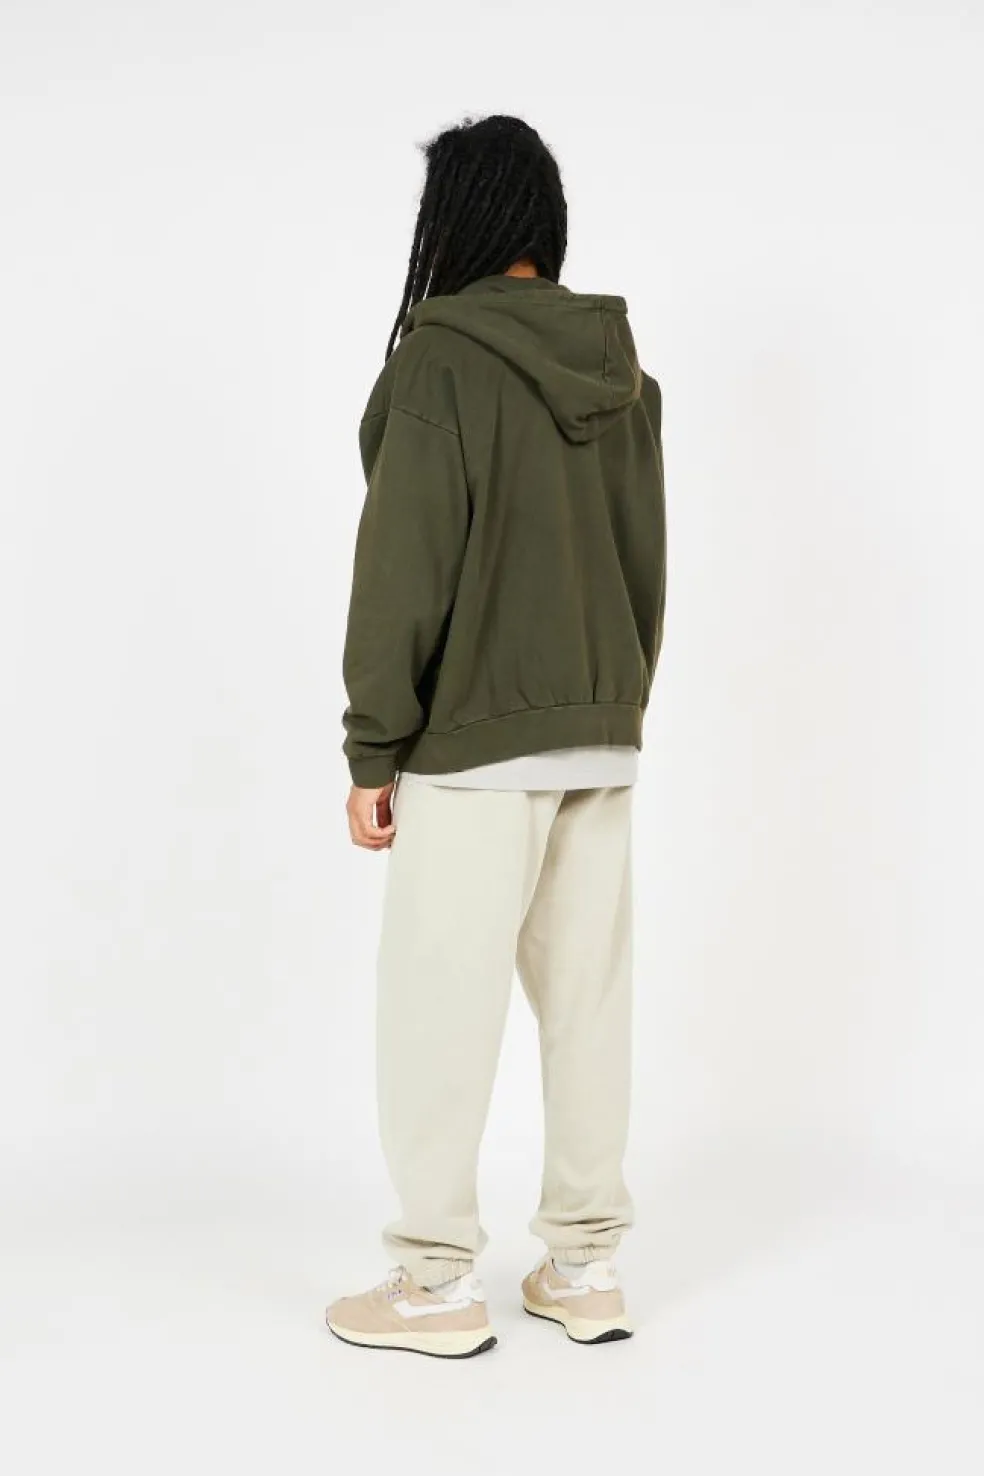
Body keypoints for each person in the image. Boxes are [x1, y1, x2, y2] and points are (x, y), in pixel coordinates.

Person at [326, 114, 666, 1358]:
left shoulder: (441, 365)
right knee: (590, 1004)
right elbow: (644, 567)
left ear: (455, 222)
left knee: (440, 1005)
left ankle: (432, 1286)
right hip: (600, 734)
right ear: (545, 222)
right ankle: (585, 1268)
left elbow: (401, 571)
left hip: (473, 743)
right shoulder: (626, 376)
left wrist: (374, 746)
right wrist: (614, 703)